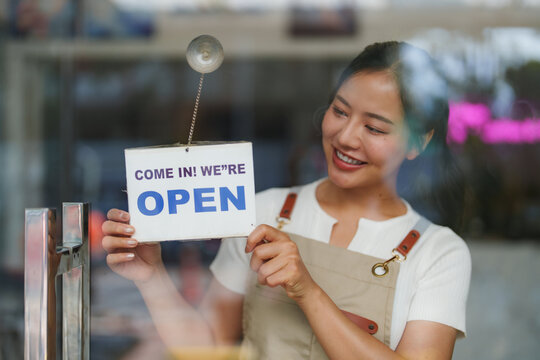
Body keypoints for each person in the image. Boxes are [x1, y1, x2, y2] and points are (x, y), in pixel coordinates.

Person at [102, 41, 471, 359]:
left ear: (419, 142)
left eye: (374, 128)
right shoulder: (263, 212)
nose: (345, 137)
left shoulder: (438, 253)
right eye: (340, 111)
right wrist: (151, 276)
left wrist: (307, 292)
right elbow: (211, 345)